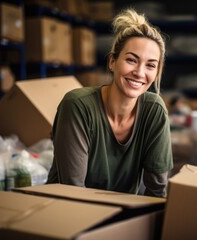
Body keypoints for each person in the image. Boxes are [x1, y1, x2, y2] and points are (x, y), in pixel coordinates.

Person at [46, 9, 173, 197]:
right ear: (112, 61)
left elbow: (158, 191)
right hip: (67, 211)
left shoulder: (154, 110)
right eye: (131, 60)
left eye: (150, 65)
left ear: (156, 74)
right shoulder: (78, 106)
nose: (139, 72)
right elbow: (72, 191)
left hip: (120, 216)